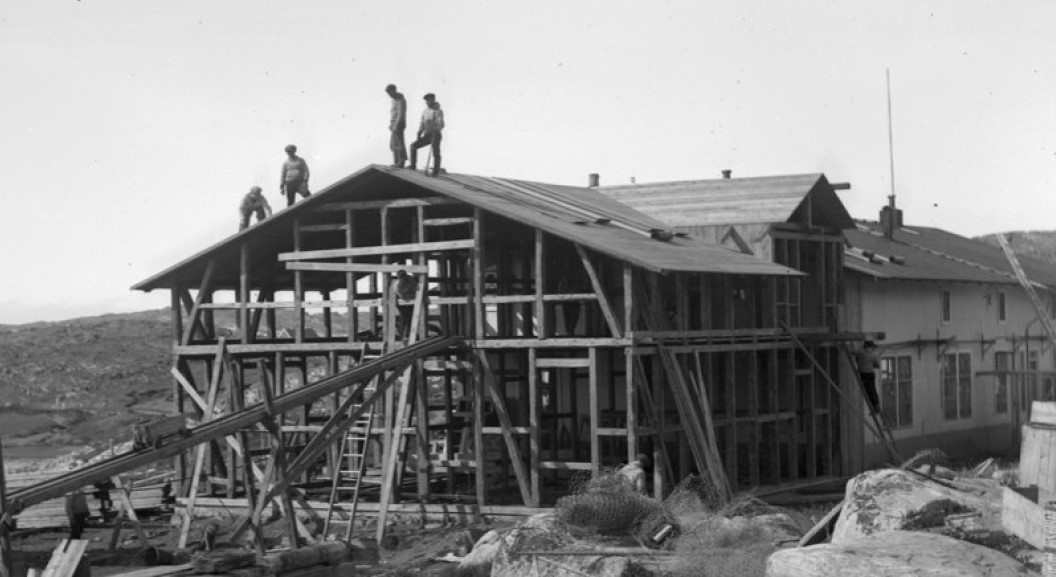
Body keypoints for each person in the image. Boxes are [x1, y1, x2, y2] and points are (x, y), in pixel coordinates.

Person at [408, 93, 444, 177]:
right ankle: (413, 165)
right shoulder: (425, 111)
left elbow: (441, 123)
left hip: (436, 135)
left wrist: (437, 128)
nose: (427, 102)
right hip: (427, 135)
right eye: (426, 100)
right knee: (413, 146)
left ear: (433, 100)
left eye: (429, 100)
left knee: (435, 152)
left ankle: (436, 171)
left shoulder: (438, 111)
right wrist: (419, 132)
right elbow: (422, 123)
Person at [853, 341, 882, 415]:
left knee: (869, 391)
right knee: (873, 390)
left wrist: (844, 347)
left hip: (865, 374)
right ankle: (876, 406)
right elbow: (877, 365)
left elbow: (851, 351)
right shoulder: (873, 354)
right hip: (871, 374)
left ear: (865, 346)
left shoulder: (861, 352)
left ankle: (876, 407)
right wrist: (869, 364)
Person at [392, 269, 420, 340]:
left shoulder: (412, 280)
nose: (403, 278)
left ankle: (410, 335)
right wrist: (409, 292)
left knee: (411, 318)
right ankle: (404, 335)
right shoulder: (397, 285)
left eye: (404, 276)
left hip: (410, 303)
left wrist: (409, 293)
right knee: (404, 318)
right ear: (399, 278)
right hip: (402, 303)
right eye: (401, 277)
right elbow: (403, 297)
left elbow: (416, 291)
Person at [385, 84, 408, 168]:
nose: (389, 95)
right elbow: (393, 113)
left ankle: (401, 161)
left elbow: (400, 114)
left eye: (390, 92)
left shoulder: (400, 100)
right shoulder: (394, 100)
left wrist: (396, 125)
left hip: (399, 123)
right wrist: (391, 123)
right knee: (393, 144)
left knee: (399, 143)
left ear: (394, 91)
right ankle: (397, 161)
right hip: (394, 123)